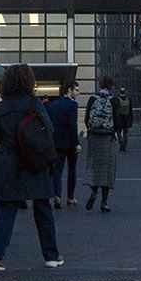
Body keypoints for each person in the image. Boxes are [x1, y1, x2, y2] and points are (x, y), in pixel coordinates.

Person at [0, 63, 64, 270]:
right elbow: (49, 129)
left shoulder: (1, 107)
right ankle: (51, 256)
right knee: (42, 207)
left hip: (8, 162)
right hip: (33, 161)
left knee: (7, 207)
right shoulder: (34, 104)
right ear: (29, 81)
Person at [82, 79, 121, 210]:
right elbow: (117, 121)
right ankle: (104, 202)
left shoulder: (92, 99)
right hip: (108, 139)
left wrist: (91, 130)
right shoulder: (114, 100)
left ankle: (94, 191)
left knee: (95, 168)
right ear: (111, 87)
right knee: (107, 171)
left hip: (94, 138)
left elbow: (86, 119)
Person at [47, 79, 83, 207]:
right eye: (76, 90)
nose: (78, 92)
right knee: (72, 170)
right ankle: (70, 197)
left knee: (57, 170)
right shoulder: (73, 105)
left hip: (57, 142)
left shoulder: (53, 105)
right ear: (69, 90)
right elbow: (72, 125)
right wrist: (76, 143)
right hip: (70, 143)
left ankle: (57, 195)